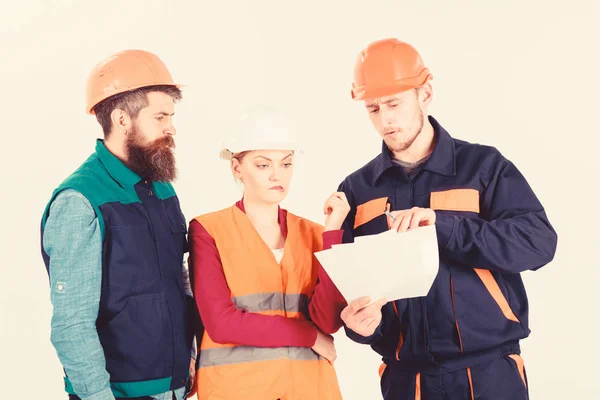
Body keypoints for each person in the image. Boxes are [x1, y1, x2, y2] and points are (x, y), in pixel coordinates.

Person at [337, 38, 558, 400]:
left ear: (425, 93)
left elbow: (538, 243)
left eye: (394, 103)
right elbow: (351, 289)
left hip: (488, 373)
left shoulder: (483, 168)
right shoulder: (358, 190)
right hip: (407, 381)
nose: (385, 120)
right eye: (373, 108)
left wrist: (443, 226)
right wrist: (363, 328)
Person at [40, 49, 196, 400]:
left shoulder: (161, 188)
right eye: (160, 117)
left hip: (175, 387)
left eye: (170, 116)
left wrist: (191, 360)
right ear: (123, 119)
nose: (171, 127)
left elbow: (177, 280)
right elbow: (72, 324)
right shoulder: (79, 201)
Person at [187, 107, 349, 400]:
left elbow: (328, 321)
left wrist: (333, 232)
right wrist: (309, 336)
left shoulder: (315, 234)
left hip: (311, 389)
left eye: (286, 164)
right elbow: (222, 323)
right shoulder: (208, 230)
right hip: (237, 390)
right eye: (263, 165)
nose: (278, 175)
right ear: (237, 168)